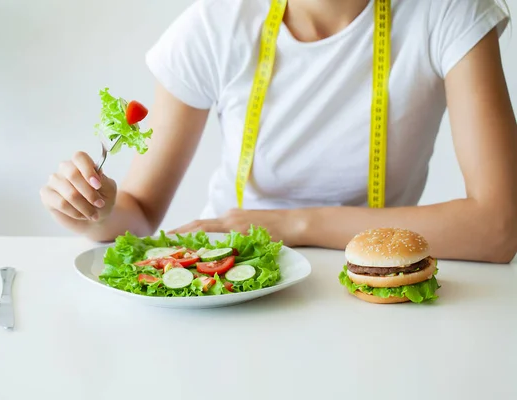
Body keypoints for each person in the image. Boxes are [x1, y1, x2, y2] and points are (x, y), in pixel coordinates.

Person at [40, 0, 517, 263]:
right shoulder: (218, 23)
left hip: (371, 282)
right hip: (230, 276)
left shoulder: (449, 11)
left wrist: (290, 225)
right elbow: (138, 214)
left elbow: (499, 227)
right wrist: (91, 212)